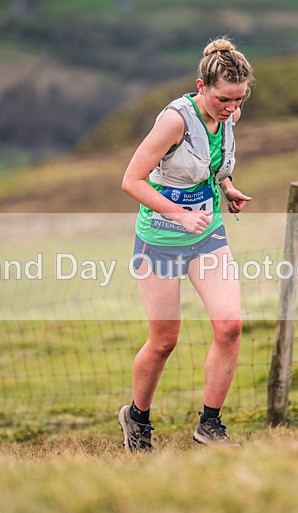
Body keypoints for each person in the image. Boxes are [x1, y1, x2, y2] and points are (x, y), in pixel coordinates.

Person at [118, 37, 255, 451]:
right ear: (201, 86)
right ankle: (137, 418)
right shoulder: (174, 120)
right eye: (224, 100)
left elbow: (211, 165)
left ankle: (209, 425)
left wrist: (227, 187)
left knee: (230, 326)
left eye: (238, 100)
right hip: (160, 239)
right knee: (165, 340)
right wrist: (179, 214)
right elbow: (131, 181)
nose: (231, 109)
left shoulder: (227, 116)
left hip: (207, 234)